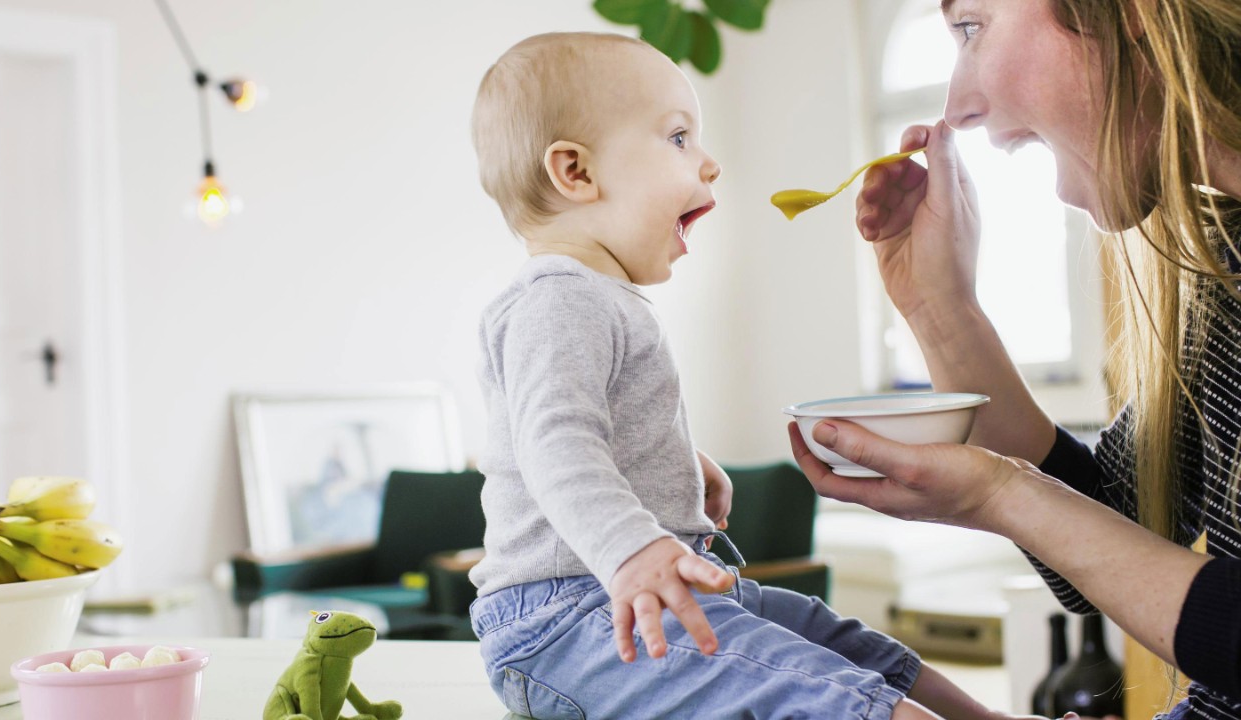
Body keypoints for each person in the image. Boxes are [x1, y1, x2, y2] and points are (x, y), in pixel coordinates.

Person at [467, 30, 1044, 720]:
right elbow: (553, 446)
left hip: (632, 587)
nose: (709, 165)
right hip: (570, 618)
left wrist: (676, 462)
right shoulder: (558, 298)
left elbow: (590, 428)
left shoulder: (595, 297)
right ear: (576, 173)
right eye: (679, 138)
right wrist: (633, 548)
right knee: (808, 690)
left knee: (836, 638)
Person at [787, 1, 1241, 718]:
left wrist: (1001, 495)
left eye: (971, 27)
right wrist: (941, 310)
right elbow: (1117, 528)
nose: (957, 107)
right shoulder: (1229, 263)